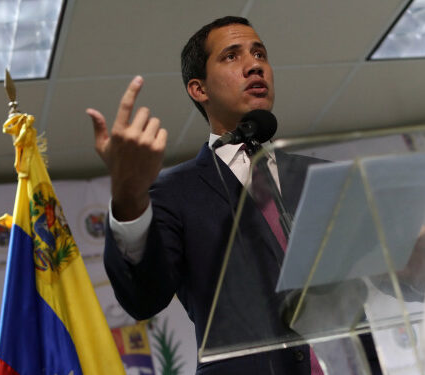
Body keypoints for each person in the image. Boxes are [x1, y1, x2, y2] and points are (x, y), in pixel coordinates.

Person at [87, 16, 339, 375]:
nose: (254, 65)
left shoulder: (323, 176)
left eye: (259, 54)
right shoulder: (173, 193)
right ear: (199, 89)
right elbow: (143, 298)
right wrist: (128, 196)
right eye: (232, 57)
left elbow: (381, 278)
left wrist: (411, 266)